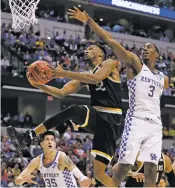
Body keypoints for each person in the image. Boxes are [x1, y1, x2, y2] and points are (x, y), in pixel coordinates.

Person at [67, 7, 169, 187]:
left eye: (149, 48)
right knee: (122, 168)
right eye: (143, 47)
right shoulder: (134, 63)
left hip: (155, 123)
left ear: (157, 55)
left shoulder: (164, 79)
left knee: (152, 170)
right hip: (136, 120)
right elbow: (110, 40)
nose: (145, 49)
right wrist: (89, 20)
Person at [7, 44, 124, 187]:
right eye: (86, 48)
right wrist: (38, 85)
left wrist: (63, 73)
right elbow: (61, 92)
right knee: (99, 174)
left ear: (101, 54)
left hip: (113, 120)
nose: (87, 50)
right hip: (99, 118)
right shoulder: (84, 75)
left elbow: (95, 78)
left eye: (92, 48)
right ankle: (28, 136)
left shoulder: (109, 63)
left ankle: (29, 135)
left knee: (75, 111)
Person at [15, 130, 91, 187]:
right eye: (47, 139)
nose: (50, 142)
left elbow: (75, 170)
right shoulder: (37, 161)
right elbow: (18, 179)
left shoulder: (62, 157)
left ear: (55, 143)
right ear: (41, 144)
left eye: (52, 140)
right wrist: (21, 180)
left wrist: (83, 178)